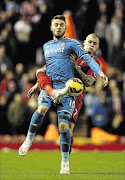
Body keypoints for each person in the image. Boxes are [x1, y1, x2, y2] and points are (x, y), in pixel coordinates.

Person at [19, 15, 108, 174]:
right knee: (42, 108)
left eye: (95, 43)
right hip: (53, 87)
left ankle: (66, 158)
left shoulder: (84, 55)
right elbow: (50, 67)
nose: (91, 45)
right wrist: (36, 85)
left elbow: (88, 82)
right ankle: (28, 140)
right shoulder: (54, 47)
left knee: (65, 128)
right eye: (89, 42)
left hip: (74, 94)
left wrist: (97, 72)